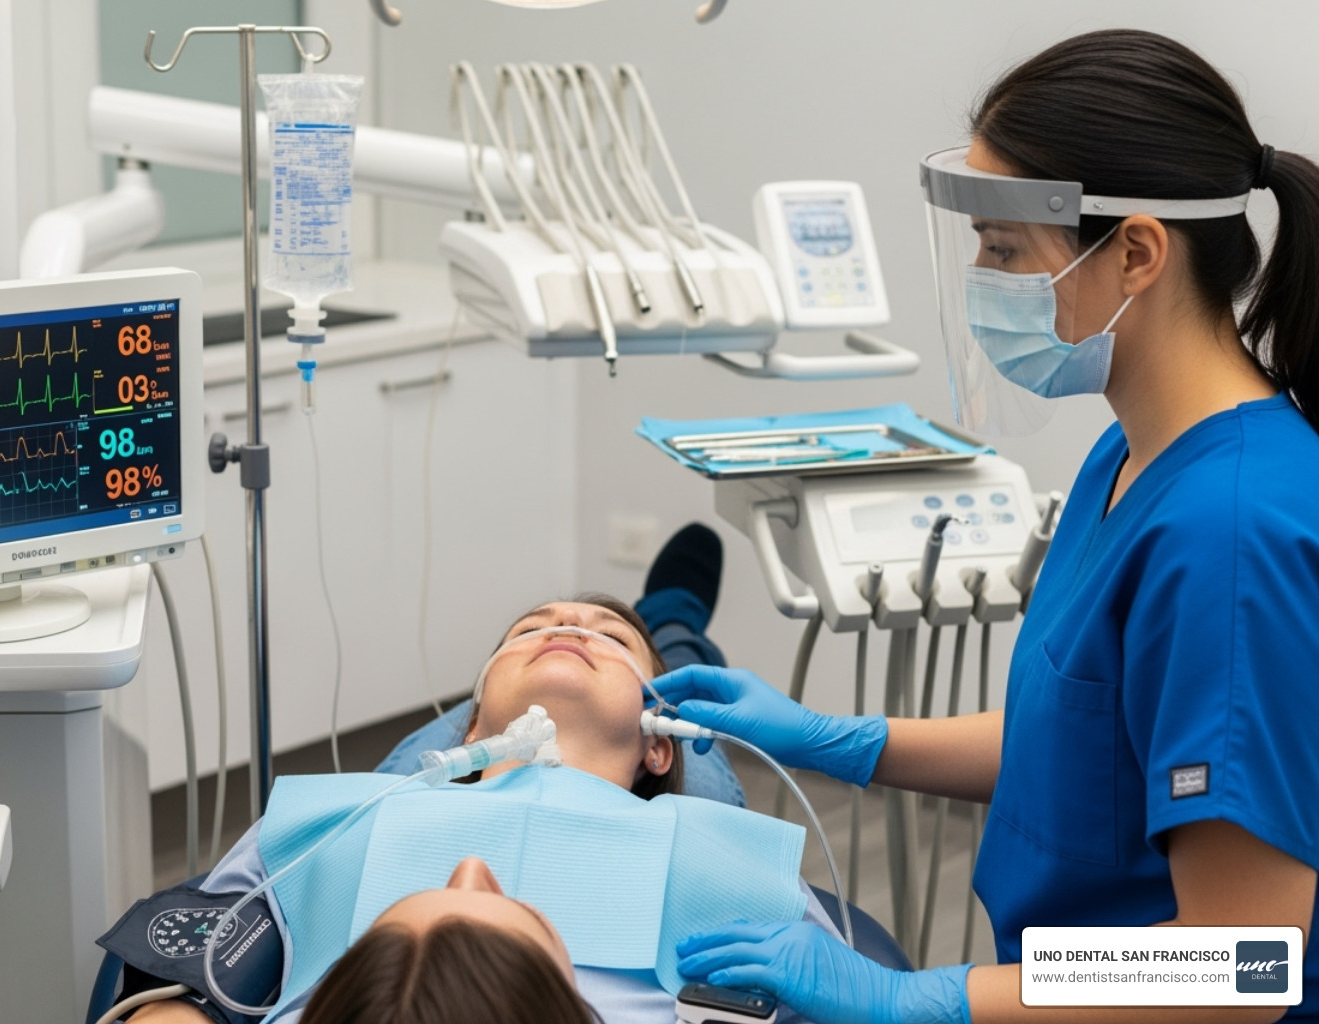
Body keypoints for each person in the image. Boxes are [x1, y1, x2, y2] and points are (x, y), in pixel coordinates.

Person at [657, 28, 1319, 1024]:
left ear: (1135, 251)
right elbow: (1093, 740)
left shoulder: (1229, 538)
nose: (982, 276)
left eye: (1004, 248)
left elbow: (1240, 964)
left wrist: (925, 997)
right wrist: (847, 740)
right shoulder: (1132, 455)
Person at [106, 586, 840, 1023]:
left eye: (603, 635)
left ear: (658, 743)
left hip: (482, 752)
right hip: (500, 751)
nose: (569, 626)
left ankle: (662, 627)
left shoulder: (355, 814)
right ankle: (669, 627)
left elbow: (183, 943)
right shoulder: (718, 849)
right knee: (684, 678)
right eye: (535, 627)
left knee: (595, 679)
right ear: (472, 732)